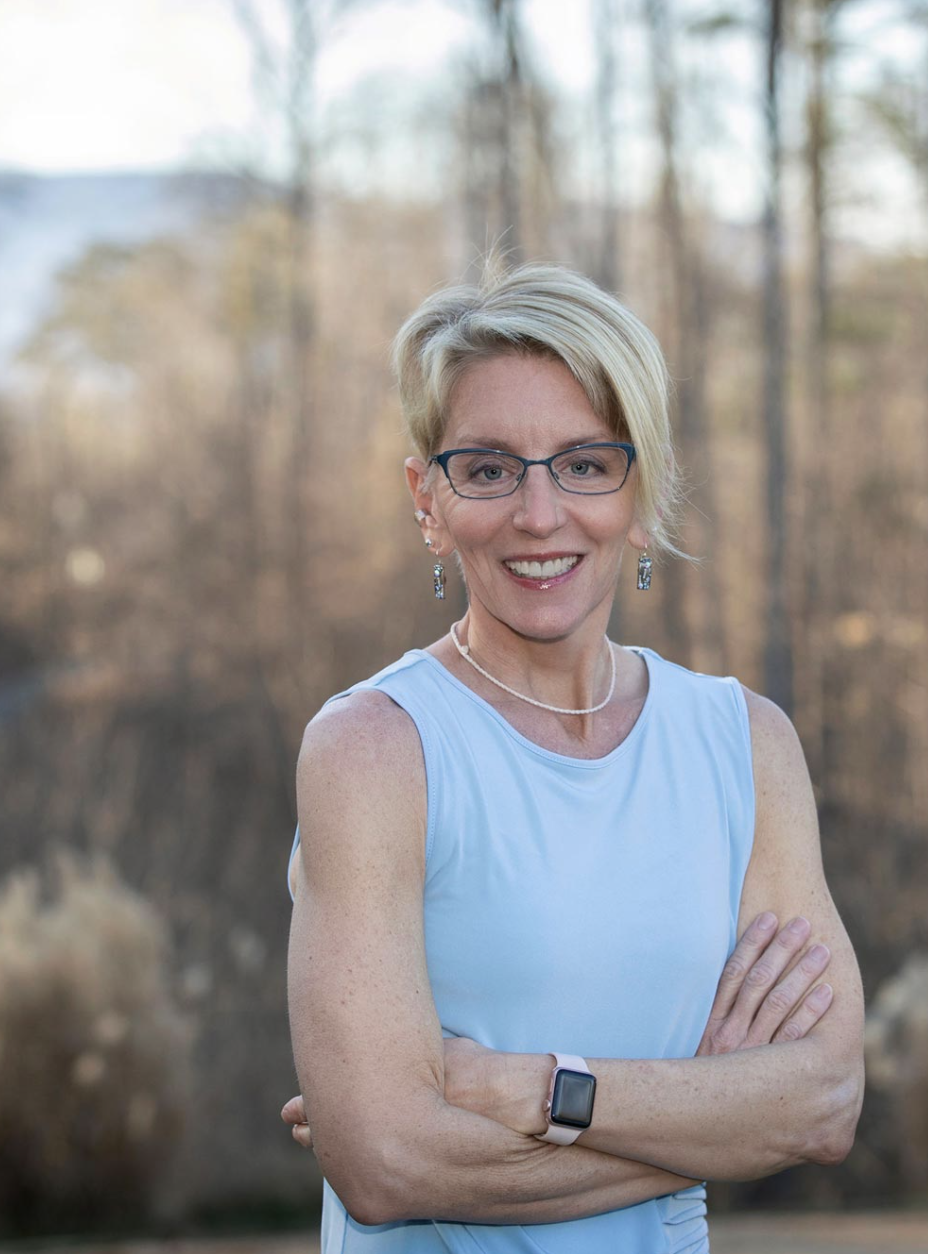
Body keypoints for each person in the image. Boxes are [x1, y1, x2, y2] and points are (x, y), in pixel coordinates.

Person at [280, 261, 865, 1252]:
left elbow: (823, 1101)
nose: (540, 515)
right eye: (490, 468)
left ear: (639, 494)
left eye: (587, 465)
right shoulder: (374, 750)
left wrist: (526, 1089)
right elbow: (385, 1165)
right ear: (428, 501)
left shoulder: (746, 745)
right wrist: (714, 1119)